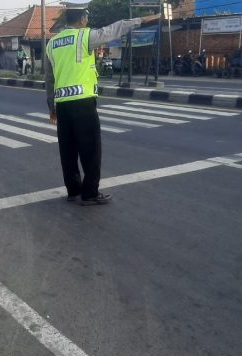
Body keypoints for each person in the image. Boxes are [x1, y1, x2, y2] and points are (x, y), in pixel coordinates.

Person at [45, 4, 160, 206]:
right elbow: (115, 28)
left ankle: (73, 191)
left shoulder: (51, 43)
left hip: (62, 105)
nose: (87, 21)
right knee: (90, 150)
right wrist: (142, 20)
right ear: (82, 19)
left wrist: (52, 107)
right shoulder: (85, 36)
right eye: (86, 18)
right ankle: (90, 194)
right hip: (83, 103)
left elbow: (49, 79)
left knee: (68, 150)